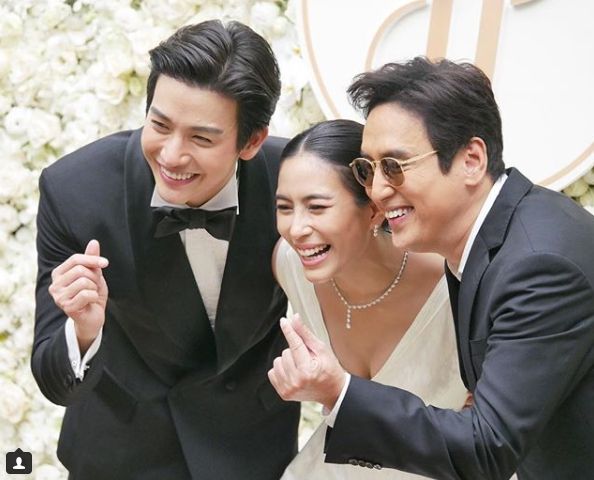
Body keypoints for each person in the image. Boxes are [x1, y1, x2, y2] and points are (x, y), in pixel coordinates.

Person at [268, 57, 594, 480]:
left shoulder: (539, 265)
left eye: (394, 167)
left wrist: (339, 391)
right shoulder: (494, 236)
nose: (378, 190)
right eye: (368, 170)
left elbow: (487, 447)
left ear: (471, 160)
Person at [33, 20, 299, 479]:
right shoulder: (75, 190)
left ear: (252, 141)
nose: (172, 156)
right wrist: (83, 331)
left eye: (202, 138)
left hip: (252, 446)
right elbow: (53, 378)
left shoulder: (295, 180)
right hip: (121, 451)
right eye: (159, 125)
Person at [273, 119, 468, 479]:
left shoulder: (455, 283)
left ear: (375, 209)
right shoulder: (289, 263)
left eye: (317, 207)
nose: (296, 229)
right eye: (285, 207)